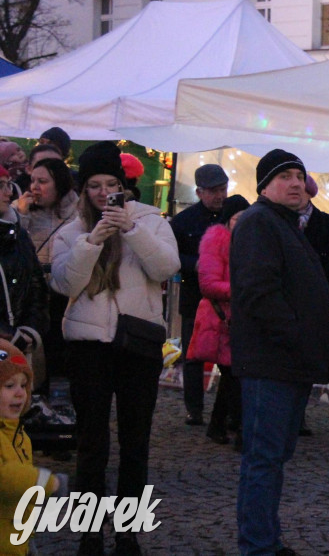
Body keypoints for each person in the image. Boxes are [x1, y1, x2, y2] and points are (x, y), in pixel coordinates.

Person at [49, 141, 179, 556]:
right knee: (91, 441)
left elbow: (166, 268)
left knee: (136, 439)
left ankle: (127, 531)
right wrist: (92, 240)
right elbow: (65, 285)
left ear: (123, 186)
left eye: (111, 184)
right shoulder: (71, 230)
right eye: (94, 186)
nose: (104, 193)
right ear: (84, 190)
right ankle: (90, 531)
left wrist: (130, 230)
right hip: (89, 346)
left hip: (137, 343)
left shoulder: (151, 221)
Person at [230, 149, 329, 556]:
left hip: (288, 362)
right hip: (270, 362)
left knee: (274, 457)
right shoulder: (260, 223)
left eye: (299, 175)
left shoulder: (285, 224)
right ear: (264, 185)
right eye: (285, 176)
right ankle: (257, 545)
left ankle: (265, 539)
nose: (295, 183)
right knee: (264, 459)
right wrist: (296, 337)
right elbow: (260, 292)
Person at [170, 163, 230, 426]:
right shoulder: (183, 221)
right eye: (213, 191)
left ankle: (226, 409)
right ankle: (194, 408)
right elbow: (170, 255)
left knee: (229, 354)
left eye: (222, 189)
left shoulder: (235, 215)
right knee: (193, 353)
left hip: (227, 297)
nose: (219, 196)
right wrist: (193, 263)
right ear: (199, 192)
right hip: (195, 294)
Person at [190, 195, 250, 449]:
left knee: (232, 376)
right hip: (221, 319)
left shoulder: (247, 241)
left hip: (238, 319)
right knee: (234, 376)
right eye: (239, 218)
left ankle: (218, 425)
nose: (244, 223)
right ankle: (237, 430)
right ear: (229, 219)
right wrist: (243, 290)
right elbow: (208, 284)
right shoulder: (216, 240)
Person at [0, 338, 68, 556]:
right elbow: (5, 477)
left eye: (24, 385)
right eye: (9, 386)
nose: (20, 393)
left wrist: (27, 540)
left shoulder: (20, 437)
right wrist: (48, 482)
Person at [13, 158, 76, 388]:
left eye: (42, 181)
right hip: (35, 298)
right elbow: (12, 249)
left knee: (62, 358)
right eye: (33, 181)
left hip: (67, 296)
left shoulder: (79, 212)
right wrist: (21, 216)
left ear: (59, 183)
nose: (35, 187)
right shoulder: (21, 211)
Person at [0, 166, 48, 389]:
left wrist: (31, 331)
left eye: (8, 184)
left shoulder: (18, 234)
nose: (8, 193)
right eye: (0, 186)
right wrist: (8, 335)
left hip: (19, 348)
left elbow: (36, 285)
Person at [299, 174, 329, 302]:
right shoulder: (282, 219)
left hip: (320, 289)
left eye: (302, 191)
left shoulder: (324, 220)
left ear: (309, 194)